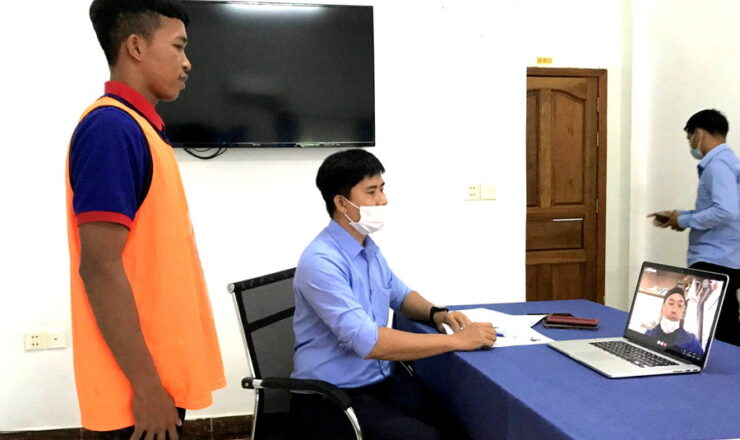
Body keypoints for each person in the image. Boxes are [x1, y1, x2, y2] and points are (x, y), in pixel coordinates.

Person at [65, 1, 225, 438]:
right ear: (135, 47)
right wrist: (147, 386)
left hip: (157, 378)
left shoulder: (140, 129)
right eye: (178, 47)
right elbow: (99, 267)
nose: (187, 62)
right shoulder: (112, 129)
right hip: (136, 393)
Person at [290, 149, 496, 440]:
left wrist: (437, 314)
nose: (383, 200)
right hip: (331, 396)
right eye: (371, 192)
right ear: (341, 202)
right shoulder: (321, 262)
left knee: (465, 418)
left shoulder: (367, 248)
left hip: (379, 381)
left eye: (382, 189)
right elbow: (369, 342)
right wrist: (457, 341)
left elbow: (400, 295)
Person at [649, 109, 740, 347]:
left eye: (690, 137)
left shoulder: (717, 165)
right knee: (724, 326)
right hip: (726, 255)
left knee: (724, 332)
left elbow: (726, 211)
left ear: (699, 133)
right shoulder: (728, 162)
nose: (691, 144)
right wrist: (679, 217)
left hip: (715, 257)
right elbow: (719, 209)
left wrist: (684, 221)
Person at [645, 288, 703, 355]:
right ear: (662, 308)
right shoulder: (648, 334)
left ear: (683, 312)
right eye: (671, 303)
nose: (674, 310)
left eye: (679, 305)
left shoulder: (692, 341)